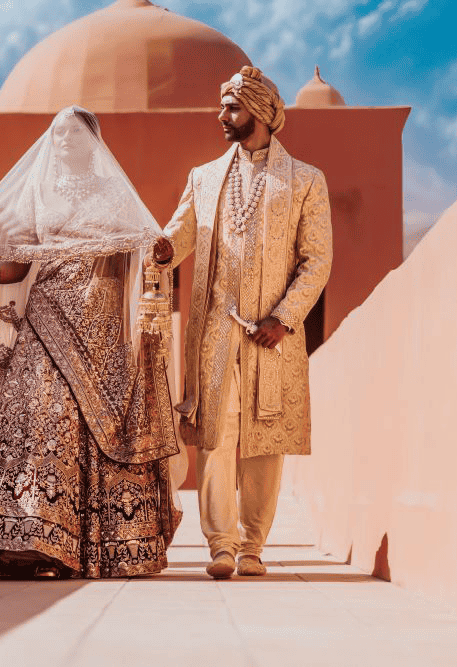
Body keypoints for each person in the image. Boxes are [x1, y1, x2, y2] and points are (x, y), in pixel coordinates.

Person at [0, 106, 181, 579]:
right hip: (47, 318)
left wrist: (154, 263)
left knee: (90, 428)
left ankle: (81, 546)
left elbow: (146, 252)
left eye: (73, 134)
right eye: (57, 135)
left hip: (101, 329)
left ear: (93, 142)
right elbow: (19, 263)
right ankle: (25, 541)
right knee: (35, 419)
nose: (63, 142)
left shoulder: (115, 197)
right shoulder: (40, 195)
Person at [151, 66, 332, 579]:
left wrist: (284, 318)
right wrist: (158, 249)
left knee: (265, 441)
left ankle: (254, 545)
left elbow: (316, 261)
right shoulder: (203, 178)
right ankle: (221, 546)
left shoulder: (304, 181)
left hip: (272, 334)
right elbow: (177, 237)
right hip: (215, 332)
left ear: (258, 111)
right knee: (217, 435)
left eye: (231, 107)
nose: (221, 116)